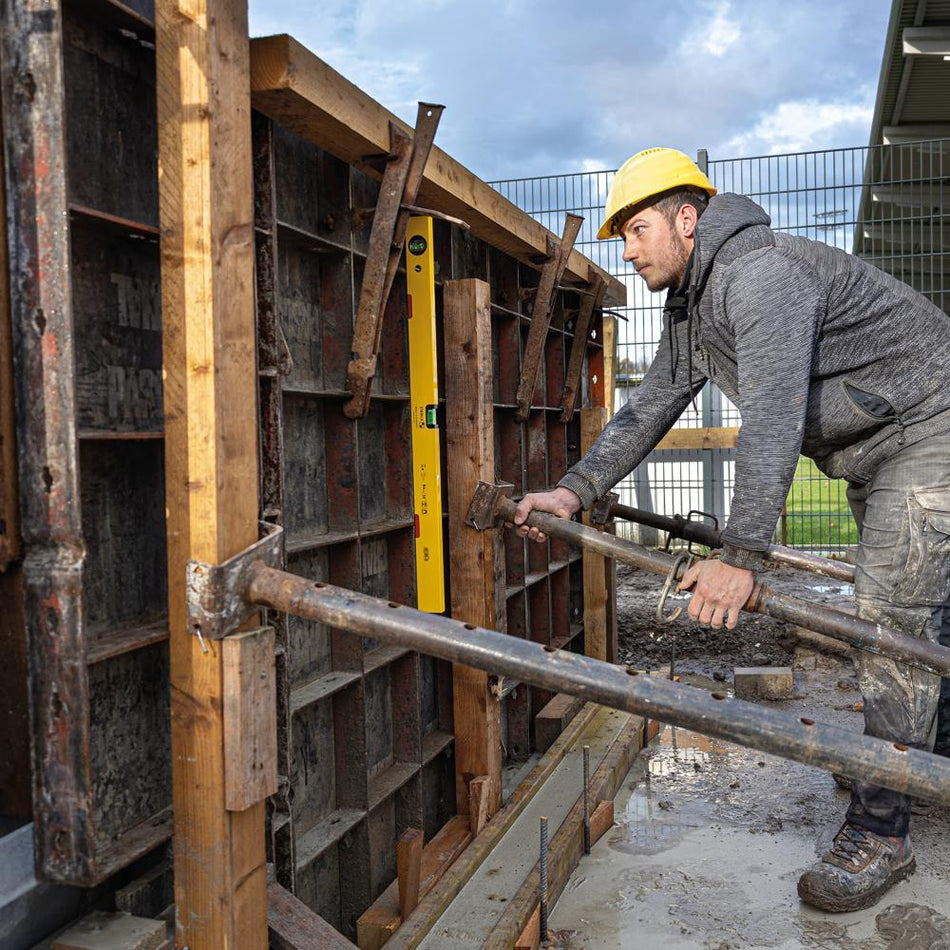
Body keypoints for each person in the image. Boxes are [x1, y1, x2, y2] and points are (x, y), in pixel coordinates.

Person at [513, 147, 950, 913]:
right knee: (923, 609)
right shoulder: (693, 307)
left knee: (889, 619)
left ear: (687, 219)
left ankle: (883, 829)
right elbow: (651, 406)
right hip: (883, 446)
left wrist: (741, 555)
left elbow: (772, 412)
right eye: (621, 237)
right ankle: (916, 757)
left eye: (637, 229)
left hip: (929, 429)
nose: (627, 250)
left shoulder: (760, 274)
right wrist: (575, 490)